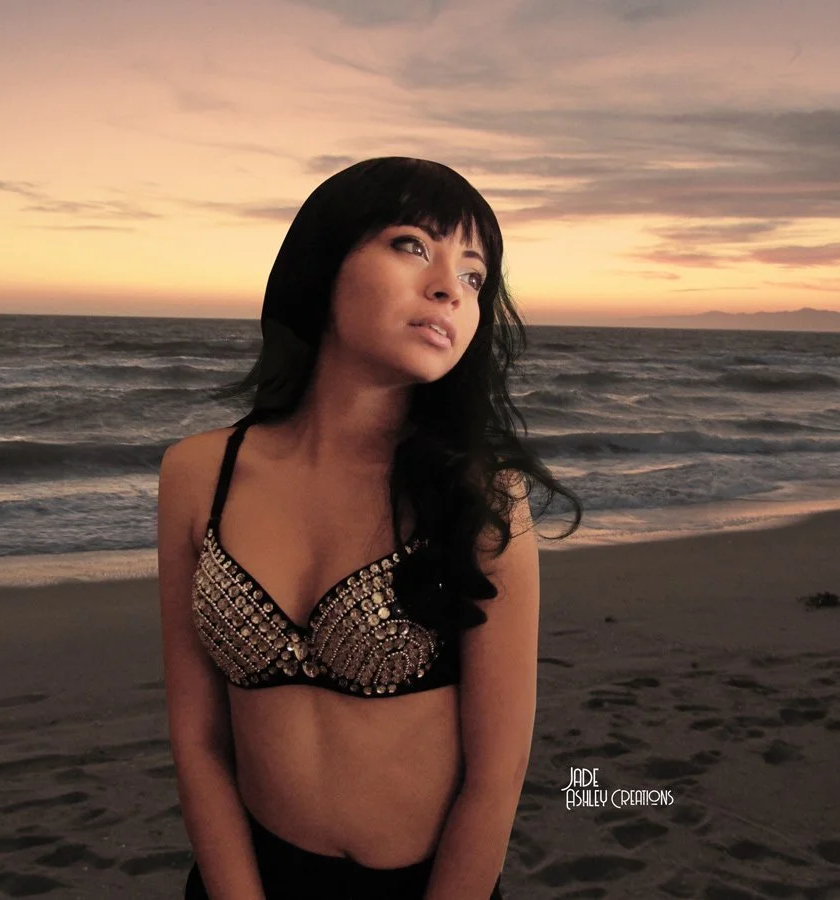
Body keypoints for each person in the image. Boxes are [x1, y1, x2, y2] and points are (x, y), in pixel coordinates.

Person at [157, 157, 582, 900]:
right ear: (323, 264)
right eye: (413, 245)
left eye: (476, 275)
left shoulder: (482, 498)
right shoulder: (199, 474)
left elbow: (496, 773)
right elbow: (198, 739)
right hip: (244, 878)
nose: (450, 286)